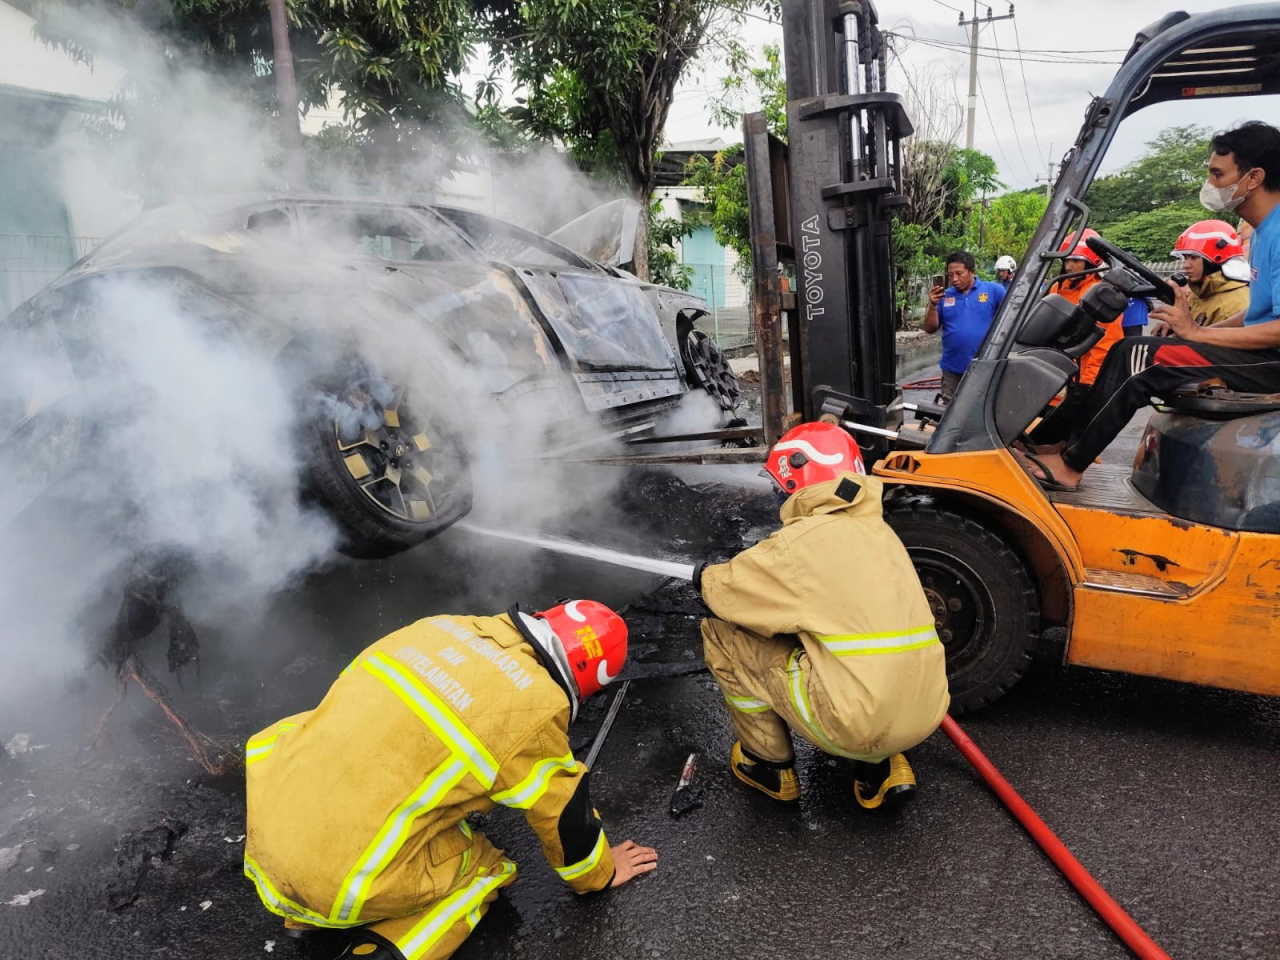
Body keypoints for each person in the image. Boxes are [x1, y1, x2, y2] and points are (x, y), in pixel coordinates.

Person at [244, 600, 656, 960]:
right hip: (334, 879)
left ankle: (303, 914)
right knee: (485, 868)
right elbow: (562, 813)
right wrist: (598, 873)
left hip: (267, 825)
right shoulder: (536, 711)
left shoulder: (437, 627)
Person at [695, 421, 950, 810]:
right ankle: (880, 770)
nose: (779, 492)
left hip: (857, 722)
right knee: (852, 653)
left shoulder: (800, 544)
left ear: (798, 476)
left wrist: (703, 578)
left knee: (723, 636)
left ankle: (766, 767)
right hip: (926, 711)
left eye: (781, 483)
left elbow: (727, 594)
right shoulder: (881, 531)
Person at [1018, 120, 1280, 491]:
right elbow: (1259, 315)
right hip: (1264, 355)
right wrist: (1191, 329)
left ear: (1253, 177)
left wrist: (1197, 333)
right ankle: (1058, 444)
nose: (1211, 184)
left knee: (1139, 358)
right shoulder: (1266, 231)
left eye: (1218, 174)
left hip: (1272, 363)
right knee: (1125, 348)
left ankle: (1071, 466)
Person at [924, 250, 1007, 403]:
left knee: (980, 409)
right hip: (952, 369)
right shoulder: (945, 296)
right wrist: (933, 305)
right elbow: (930, 328)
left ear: (972, 272)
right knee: (949, 413)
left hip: (985, 368)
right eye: (950, 275)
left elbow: (1009, 321)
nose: (954, 279)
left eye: (959, 273)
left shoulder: (995, 291)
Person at [1168, 219, 1251, 328]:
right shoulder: (1201, 292)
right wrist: (1173, 327)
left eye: (1193, 257)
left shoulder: (1234, 303)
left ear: (1215, 260)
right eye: (1185, 258)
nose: (1186, 265)